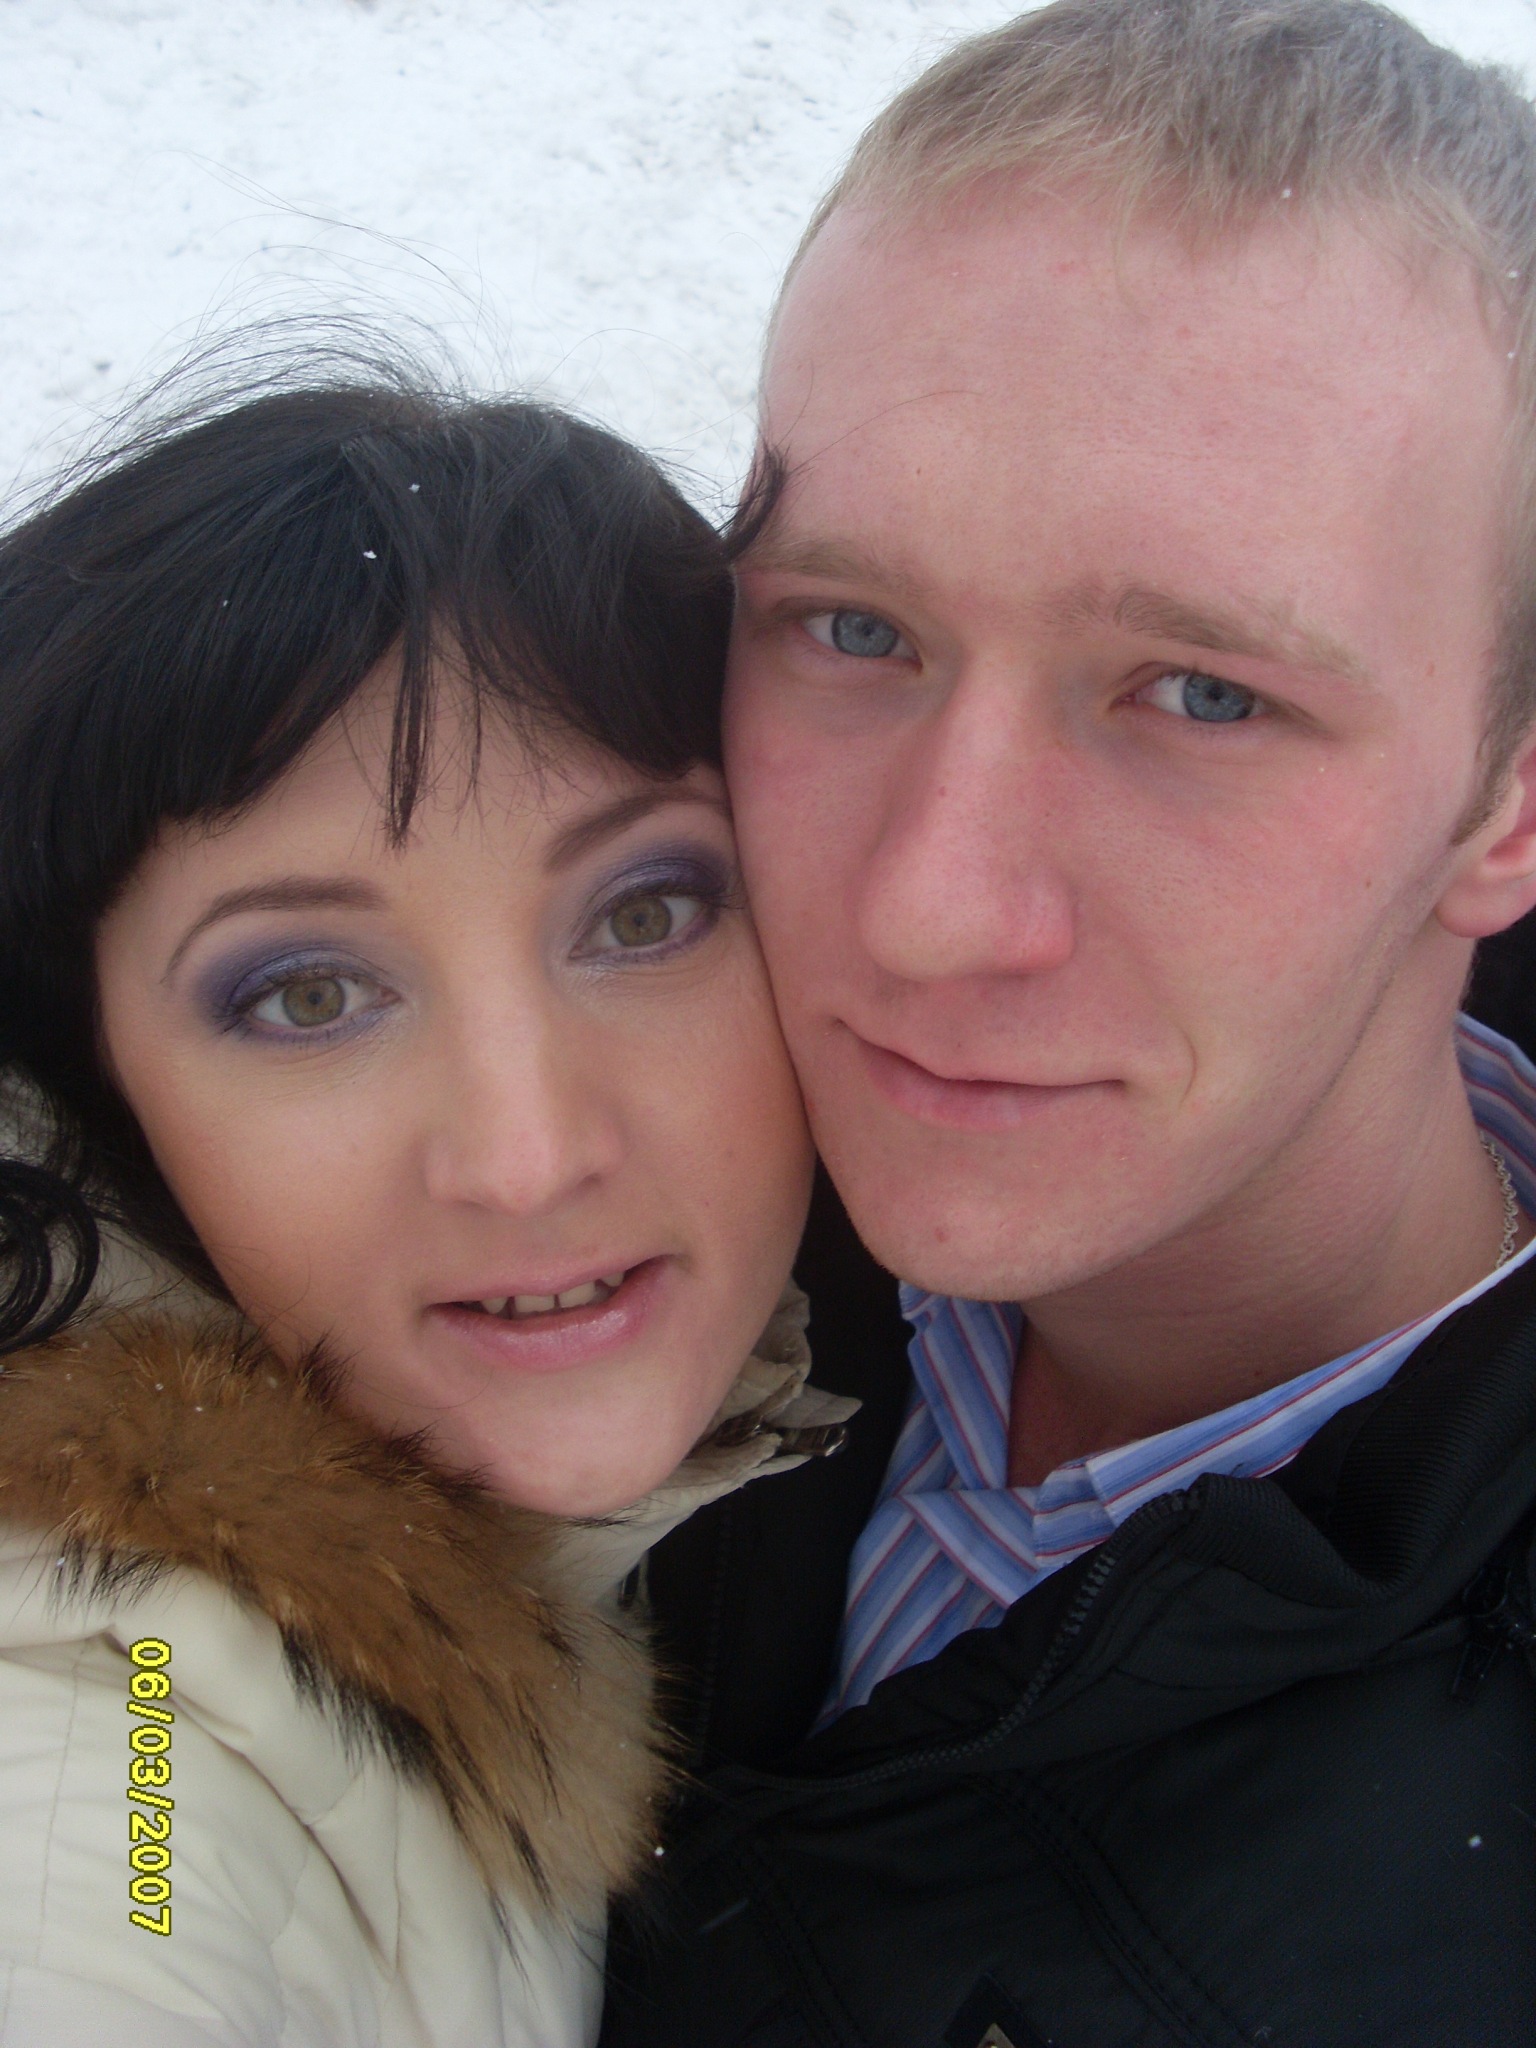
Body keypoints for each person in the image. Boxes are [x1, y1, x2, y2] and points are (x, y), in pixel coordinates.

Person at [601, 3, 1536, 2042]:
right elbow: (137, 1743)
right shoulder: (598, 1105)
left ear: (1511, 802)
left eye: (1205, 694)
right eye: (855, 628)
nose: (927, 909)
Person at [0, 372, 854, 2047]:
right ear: (92, 1086)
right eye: (308, 995)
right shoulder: (120, 1734)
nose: (527, 1156)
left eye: (646, 911)